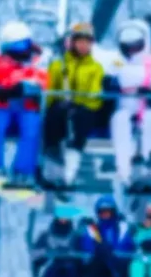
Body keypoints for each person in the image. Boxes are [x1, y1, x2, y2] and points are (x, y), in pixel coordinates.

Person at [0, 19, 45, 181]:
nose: (18, 53)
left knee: (32, 127)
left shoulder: (37, 62)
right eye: (14, 48)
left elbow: (43, 80)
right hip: (2, 105)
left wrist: (24, 88)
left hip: (27, 107)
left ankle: (23, 170)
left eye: (22, 46)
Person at [42, 19, 111, 179]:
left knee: (80, 118)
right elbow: (51, 91)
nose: (83, 46)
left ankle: (71, 165)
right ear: (72, 42)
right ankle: (52, 158)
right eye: (80, 41)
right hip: (62, 108)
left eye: (87, 42)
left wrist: (78, 103)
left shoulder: (95, 68)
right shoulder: (59, 65)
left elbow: (95, 95)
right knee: (55, 114)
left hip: (84, 109)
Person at [106, 18, 151, 189]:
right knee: (119, 120)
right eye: (128, 46)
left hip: (148, 107)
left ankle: (150, 165)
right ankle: (124, 168)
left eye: (136, 45)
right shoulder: (116, 62)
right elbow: (107, 73)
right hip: (125, 107)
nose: (132, 50)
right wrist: (109, 83)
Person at [33, 200, 91, 277]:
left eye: (65, 219)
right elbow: (36, 257)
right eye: (61, 218)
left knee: (73, 271)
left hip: (73, 269)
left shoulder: (76, 236)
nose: (63, 221)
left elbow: (84, 255)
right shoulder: (46, 236)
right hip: (54, 267)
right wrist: (44, 255)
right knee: (52, 273)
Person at [73, 196, 133, 277]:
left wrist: (114, 255)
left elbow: (125, 244)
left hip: (118, 262)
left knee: (116, 269)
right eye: (102, 212)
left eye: (107, 212)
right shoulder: (94, 228)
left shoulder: (122, 227)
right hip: (98, 263)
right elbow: (88, 245)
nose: (105, 214)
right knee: (96, 265)